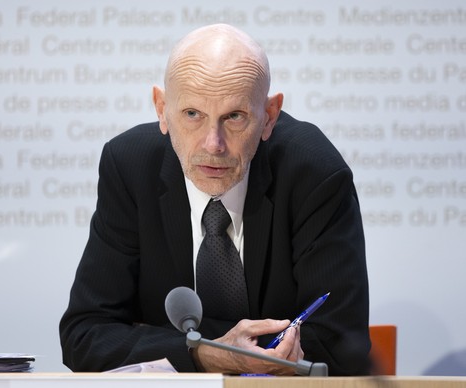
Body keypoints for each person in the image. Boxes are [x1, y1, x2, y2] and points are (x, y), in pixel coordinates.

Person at [59, 23, 370, 376]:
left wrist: (155, 339)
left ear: (269, 117)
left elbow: (342, 345)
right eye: (192, 114)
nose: (213, 144)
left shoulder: (313, 173)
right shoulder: (130, 166)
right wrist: (209, 355)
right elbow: (84, 337)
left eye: (235, 117)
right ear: (161, 109)